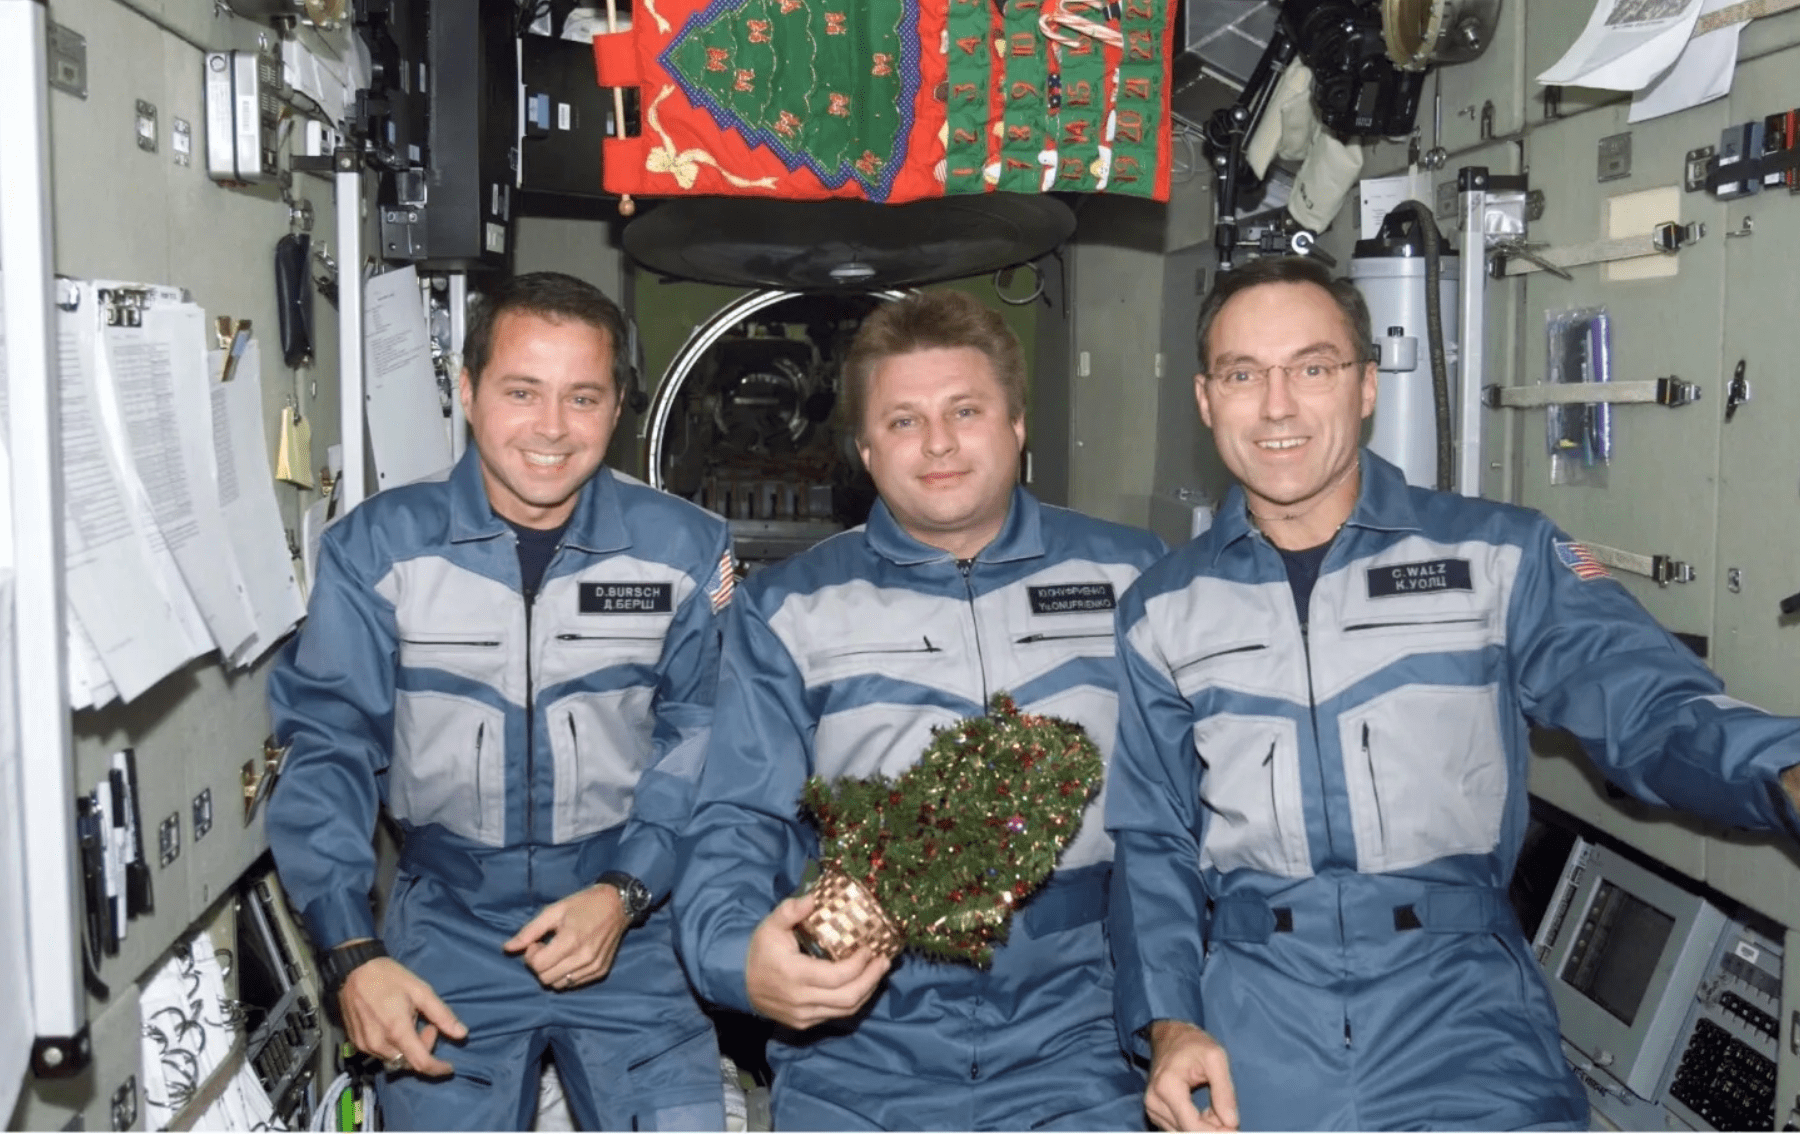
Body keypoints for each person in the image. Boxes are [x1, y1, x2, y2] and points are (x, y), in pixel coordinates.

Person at [1105, 255, 1800, 1132]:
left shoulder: (1498, 560)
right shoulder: (1162, 609)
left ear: (1364, 386)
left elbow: (1648, 707)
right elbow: (1154, 842)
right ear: (1207, 401)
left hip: (1462, 1009)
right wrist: (1171, 1025)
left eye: (1312, 368)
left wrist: (1783, 768)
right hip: (1254, 1014)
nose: (1277, 406)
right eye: (1245, 375)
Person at [675, 289, 1167, 1130]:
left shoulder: (1133, 580)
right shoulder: (791, 608)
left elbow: (1184, 825)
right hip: (860, 1047)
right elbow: (735, 817)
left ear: (1017, 425)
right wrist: (734, 958)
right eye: (902, 421)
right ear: (865, 449)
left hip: (1081, 1044)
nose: (937, 443)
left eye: (965, 410)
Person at [266, 273, 734, 1131]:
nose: (552, 428)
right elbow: (329, 745)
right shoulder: (376, 550)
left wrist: (628, 892)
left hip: (628, 925)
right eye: (523, 391)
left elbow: (702, 734)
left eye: (582, 396)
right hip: (447, 927)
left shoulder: (685, 551)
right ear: (470, 391)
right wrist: (350, 951)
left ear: (619, 405)